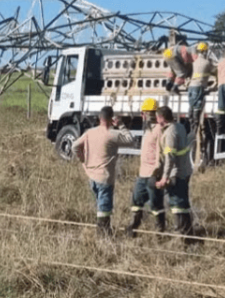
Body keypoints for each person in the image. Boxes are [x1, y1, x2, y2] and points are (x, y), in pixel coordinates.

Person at [71, 106, 134, 235]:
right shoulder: (112, 135)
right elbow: (130, 140)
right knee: (104, 209)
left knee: (99, 206)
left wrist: (82, 159)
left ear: (100, 118)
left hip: (92, 177)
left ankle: (102, 232)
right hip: (105, 178)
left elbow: (74, 146)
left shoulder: (90, 132)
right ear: (112, 119)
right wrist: (121, 124)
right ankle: (103, 235)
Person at [126, 98, 166, 236]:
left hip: (153, 176)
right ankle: (133, 228)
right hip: (142, 174)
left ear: (151, 114)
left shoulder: (159, 130)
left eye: (144, 113)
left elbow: (161, 154)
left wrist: (156, 173)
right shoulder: (147, 130)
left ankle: (160, 233)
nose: (142, 116)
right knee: (136, 201)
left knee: (156, 205)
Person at [155, 105, 193, 235]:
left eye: (157, 118)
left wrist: (165, 176)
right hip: (185, 170)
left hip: (176, 173)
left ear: (161, 118)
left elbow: (169, 156)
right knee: (183, 202)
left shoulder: (170, 132)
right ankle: (188, 231)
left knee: (176, 204)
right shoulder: (180, 127)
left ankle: (181, 234)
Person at [188, 42, 216, 165]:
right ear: (206, 51)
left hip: (191, 87)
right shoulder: (207, 63)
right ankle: (195, 124)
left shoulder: (194, 62)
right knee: (198, 108)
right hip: (199, 87)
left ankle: (191, 120)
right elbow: (216, 71)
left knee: (192, 105)